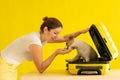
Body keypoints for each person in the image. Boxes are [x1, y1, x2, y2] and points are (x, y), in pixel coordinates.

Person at [0, 16, 89, 80]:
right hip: (4, 66)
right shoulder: (34, 41)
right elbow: (41, 68)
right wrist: (56, 53)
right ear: (46, 29)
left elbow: (65, 38)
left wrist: (81, 31)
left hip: (10, 66)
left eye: (58, 33)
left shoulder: (43, 38)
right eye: (55, 33)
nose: (56, 36)